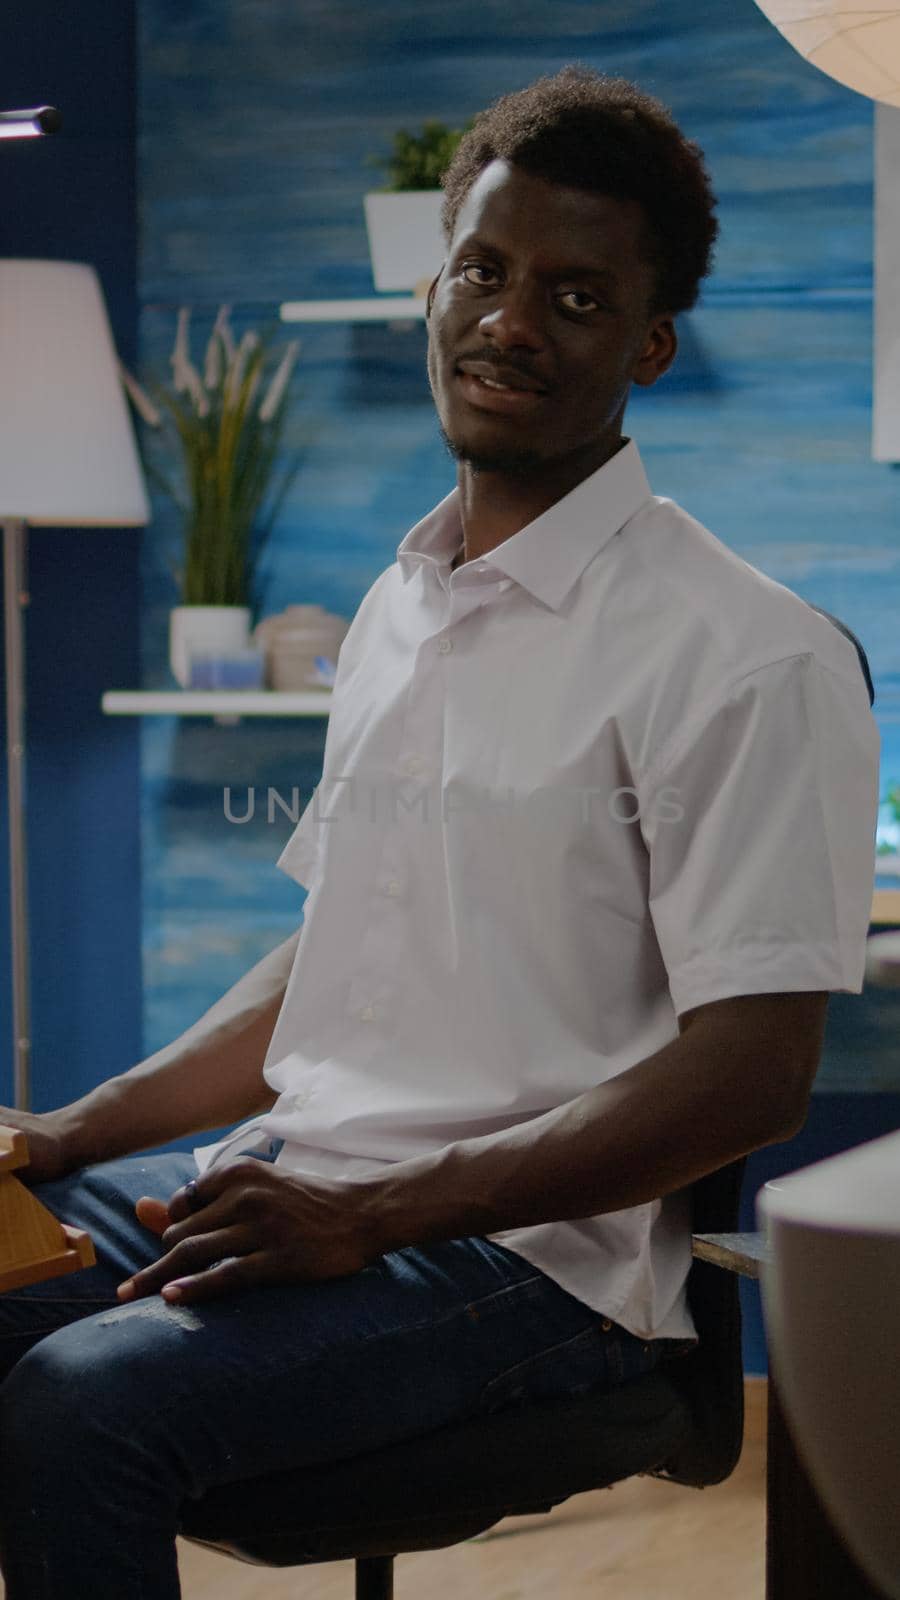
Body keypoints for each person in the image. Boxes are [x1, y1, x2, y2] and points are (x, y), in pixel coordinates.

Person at [0, 64, 880, 1598]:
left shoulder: (748, 652)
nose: (511, 321)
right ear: (435, 286)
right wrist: (67, 1133)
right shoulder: (403, 605)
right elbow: (327, 950)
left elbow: (755, 1072)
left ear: (651, 344)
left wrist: (372, 1215)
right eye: (484, 269)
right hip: (301, 1180)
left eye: (578, 296)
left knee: (80, 1414)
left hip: (532, 1268)